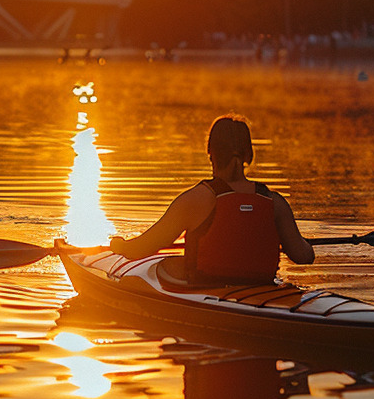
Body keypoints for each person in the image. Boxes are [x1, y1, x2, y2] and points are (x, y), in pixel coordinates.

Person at [107, 115, 314, 284]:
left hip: (207, 286)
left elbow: (142, 248)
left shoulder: (196, 200)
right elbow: (305, 256)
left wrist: (120, 247)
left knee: (164, 266)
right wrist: (289, 241)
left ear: (210, 153)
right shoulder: (274, 202)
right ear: (248, 154)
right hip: (261, 288)